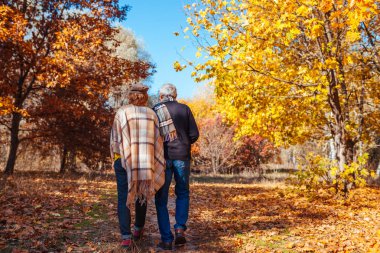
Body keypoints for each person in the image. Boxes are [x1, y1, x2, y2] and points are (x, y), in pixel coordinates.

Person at [110, 83, 166, 249]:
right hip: (145, 161)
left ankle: (126, 237)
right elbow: (158, 141)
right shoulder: (151, 114)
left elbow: (115, 138)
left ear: (131, 95)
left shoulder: (122, 112)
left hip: (124, 160)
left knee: (123, 196)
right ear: (145, 97)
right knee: (142, 193)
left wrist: (116, 158)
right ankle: (138, 229)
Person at [153, 83, 199, 250]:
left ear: (161, 96)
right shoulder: (184, 109)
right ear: (175, 94)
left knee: (161, 199)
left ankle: (166, 239)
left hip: (162, 158)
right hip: (182, 156)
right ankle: (180, 228)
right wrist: (185, 143)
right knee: (183, 192)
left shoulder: (155, 110)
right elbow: (194, 134)